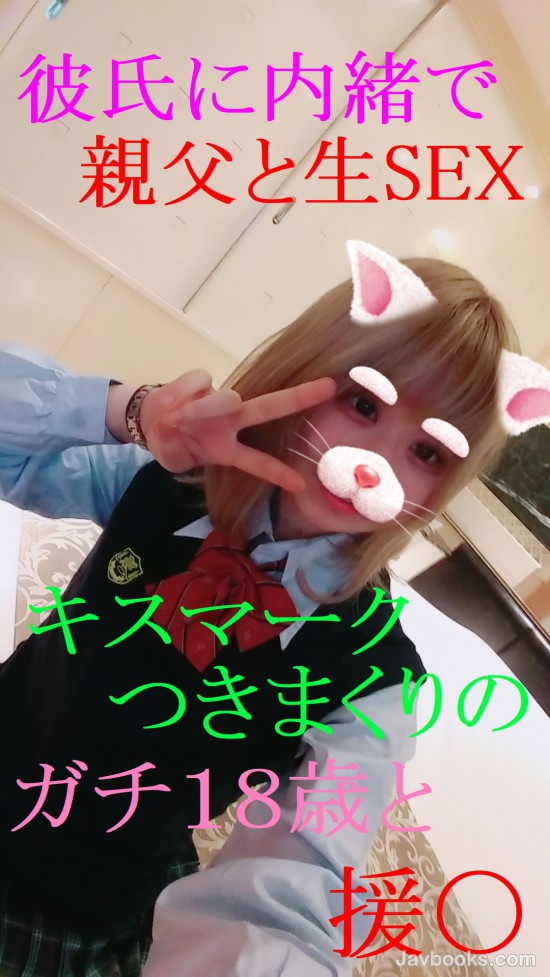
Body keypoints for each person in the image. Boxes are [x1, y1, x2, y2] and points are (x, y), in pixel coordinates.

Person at [0, 241, 542, 977]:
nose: (376, 465)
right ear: (309, 367)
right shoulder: (164, 481)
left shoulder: (374, 683)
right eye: (364, 404)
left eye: (428, 452)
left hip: (77, 905)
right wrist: (128, 410)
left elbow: (301, 875)